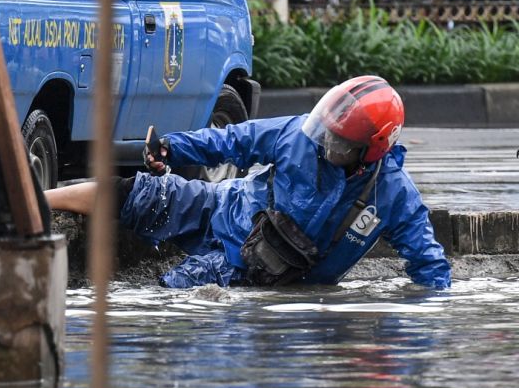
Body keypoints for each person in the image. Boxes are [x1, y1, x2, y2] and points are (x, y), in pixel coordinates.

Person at [45, 76, 452, 289]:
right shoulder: (299, 134)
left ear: (373, 149)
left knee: (177, 294)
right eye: (325, 133)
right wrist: (173, 149)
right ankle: (33, 198)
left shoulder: (395, 195)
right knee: (138, 193)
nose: (326, 144)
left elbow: (430, 264)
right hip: (222, 208)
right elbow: (233, 140)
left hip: (252, 270)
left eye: (340, 144)